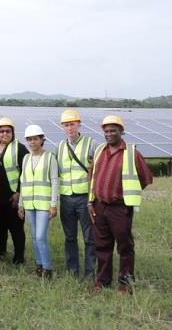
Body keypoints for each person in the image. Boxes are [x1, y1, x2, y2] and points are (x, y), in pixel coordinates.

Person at [88, 115, 154, 294]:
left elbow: (146, 178)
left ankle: (125, 284)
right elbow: (92, 177)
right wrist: (90, 202)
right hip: (99, 206)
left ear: (121, 132)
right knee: (101, 246)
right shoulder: (100, 150)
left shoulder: (132, 153)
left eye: (113, 131)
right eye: (106, 131)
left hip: (120, 208)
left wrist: (128, 194)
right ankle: (102, 281)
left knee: (124, 247)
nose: (109, 134)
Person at [56, 109, 96, 278]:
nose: (69, 128)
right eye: (66, 125)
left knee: (89, 238)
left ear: (79, 124)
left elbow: (96, 171)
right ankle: (72, 272)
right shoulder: (60, 146)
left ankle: (90, 272)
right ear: (62, 127)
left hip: (84, 198)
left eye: (72, 124)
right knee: (70, 237)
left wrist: (93, 199)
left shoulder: (91, 143)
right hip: (66, 198)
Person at [18, 125, 59, 278]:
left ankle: (48, 269)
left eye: (35, 138)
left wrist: (53, 205)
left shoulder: (50, 157)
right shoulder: (26, 158)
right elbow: (23, 182)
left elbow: (55, 181)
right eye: (29, 139)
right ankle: (39, 266)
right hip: (29, 204)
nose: (32, 142)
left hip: (44, 204)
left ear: (42, 139)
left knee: (41, 237)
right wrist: (21, 203)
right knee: (34, 237)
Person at [0, 117, 28, 264]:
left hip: (13, 197)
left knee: (16, 228)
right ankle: (1, 253)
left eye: (8, 131)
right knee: (0, 227)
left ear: (12, 133)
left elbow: (26, 172)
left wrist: (19, 192)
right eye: (1, 131)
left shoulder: (19, 148)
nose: (5, 134)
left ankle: (19, 257)